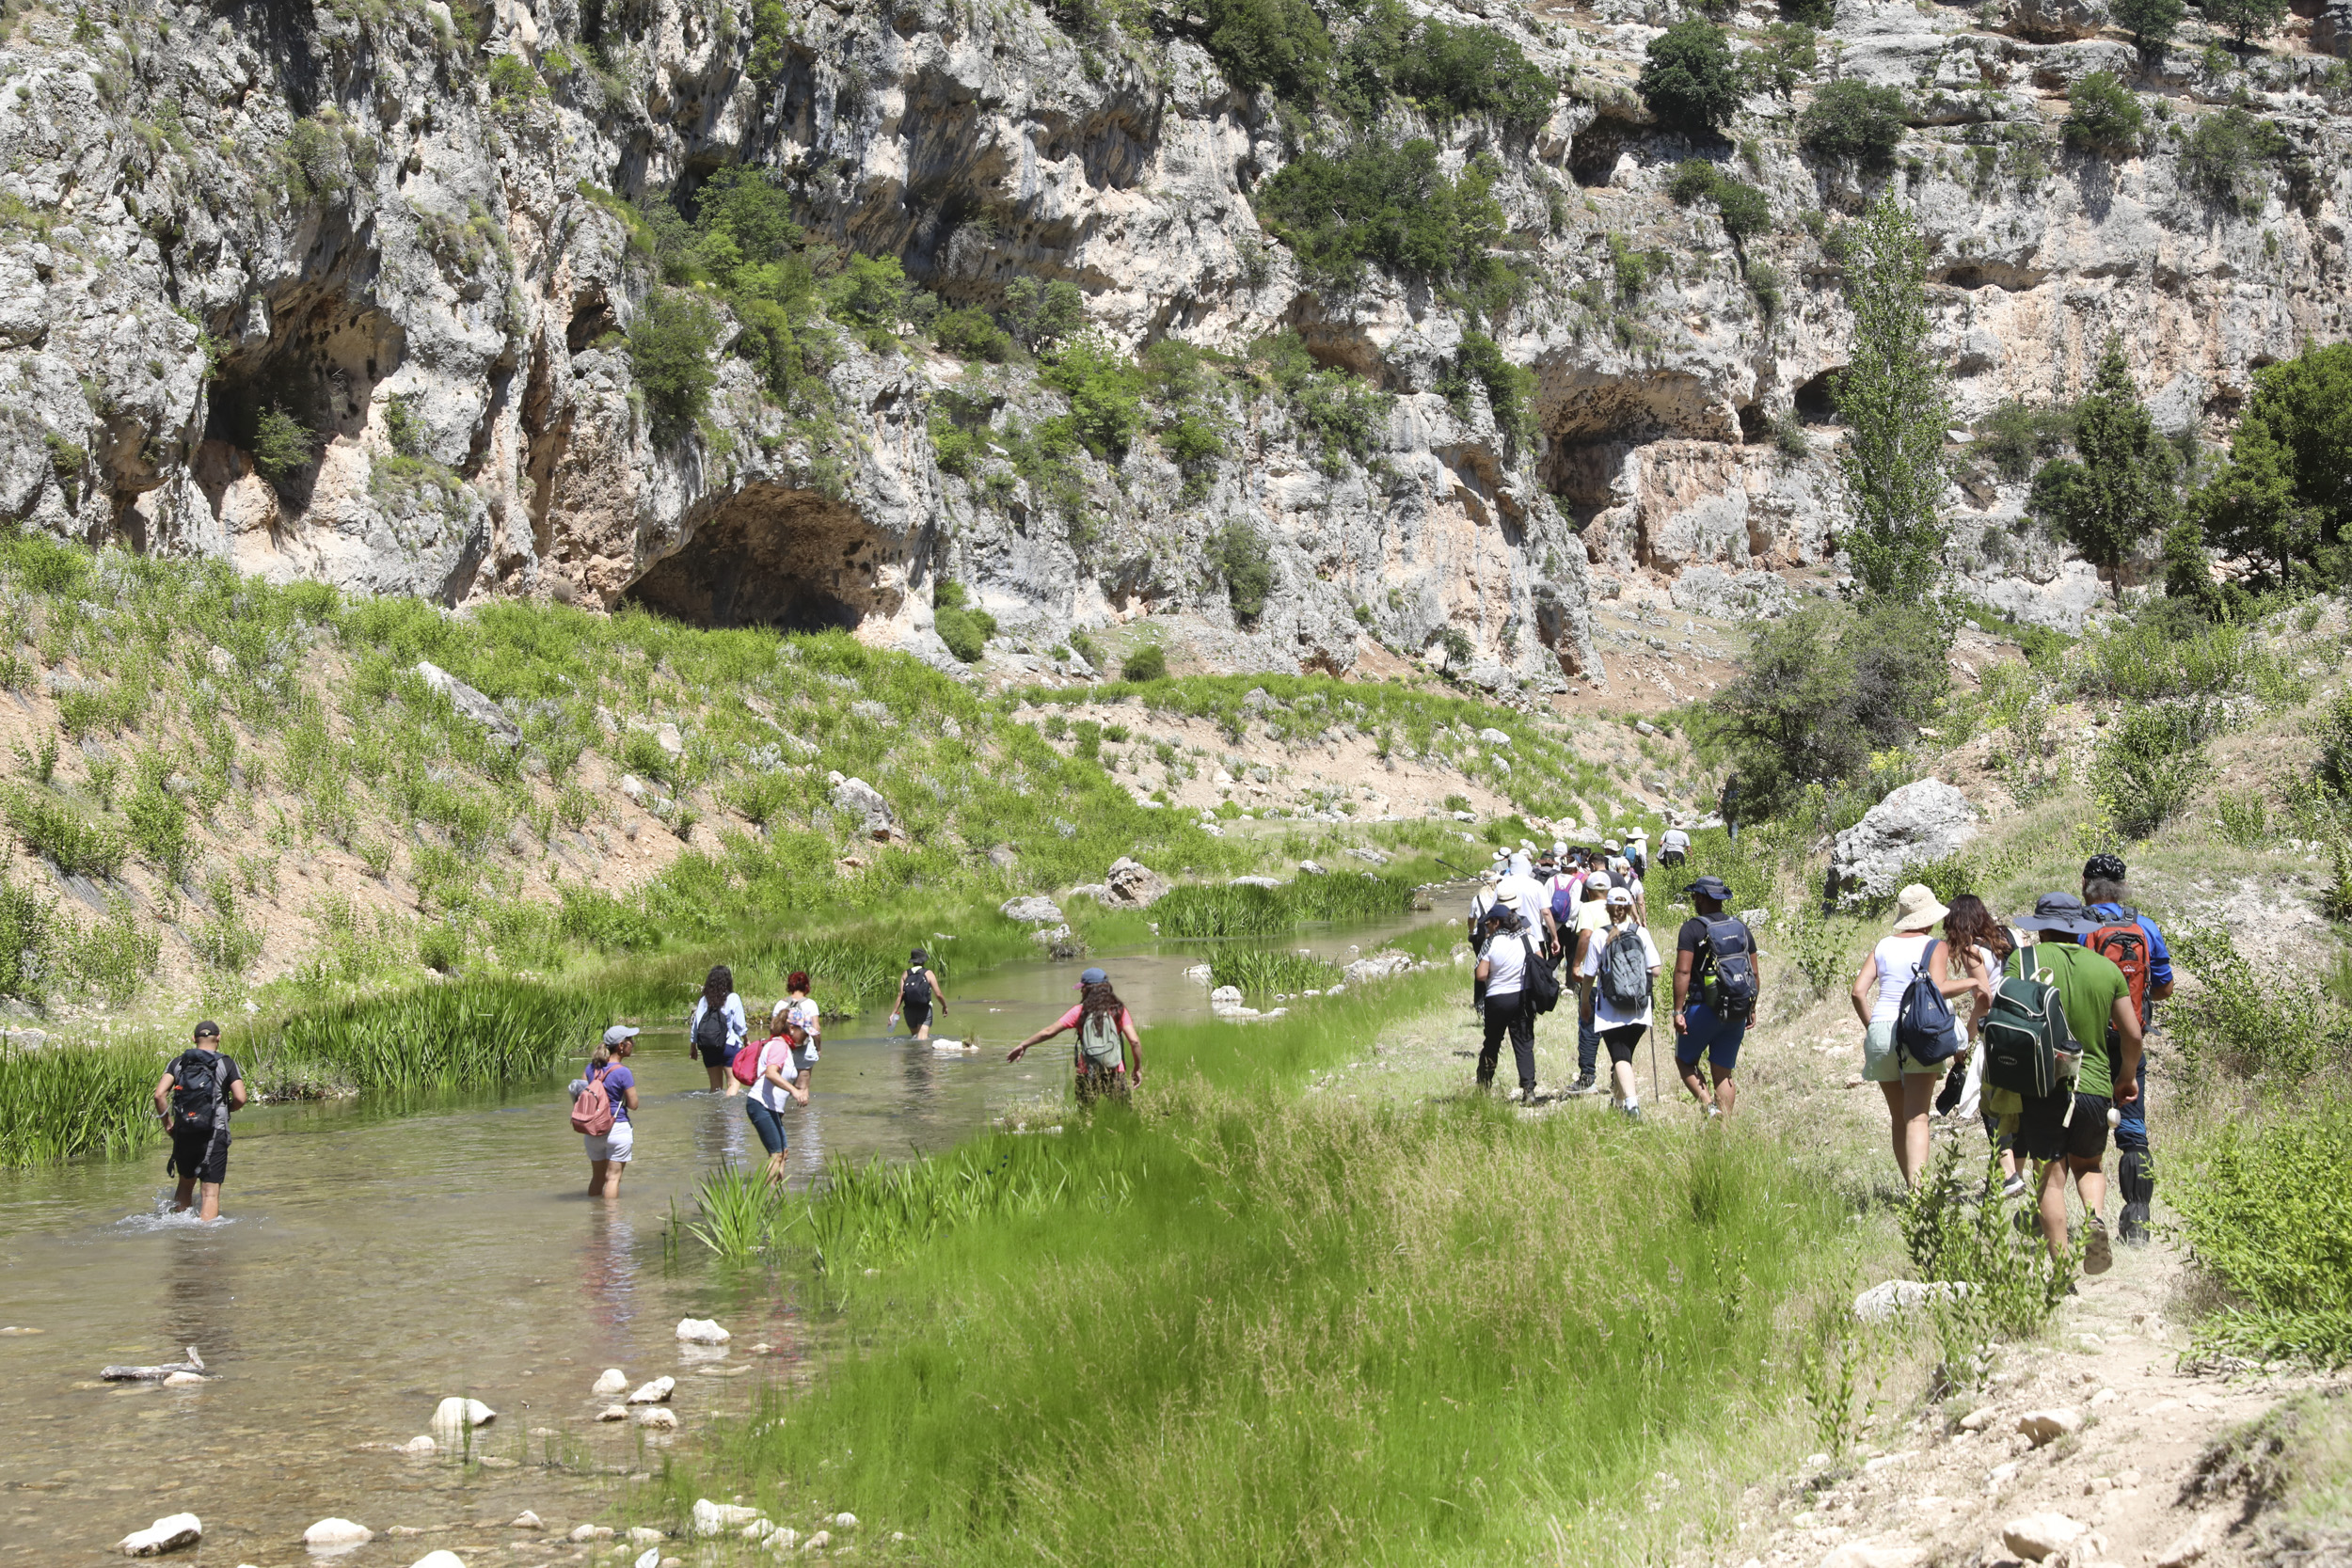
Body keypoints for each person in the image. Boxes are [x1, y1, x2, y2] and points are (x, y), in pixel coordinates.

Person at [1999, 894, 2143, 1275]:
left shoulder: (2022, 962)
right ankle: (2095, 1217)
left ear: (2041, 928)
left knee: (2052, 1176)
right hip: (2094, 1085)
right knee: (2090, 1164)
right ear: (2078, 930)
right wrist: (2126, 1076)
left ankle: (2062, 1271)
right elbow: (2132, 1034)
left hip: (2042, 1084)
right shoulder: (2105, 969)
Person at [1849, 884, 1982, 1188]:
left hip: (1882, 1028)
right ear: (1929, 918)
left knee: (1899, 1117)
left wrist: (1873, 1028)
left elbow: (1858, 992)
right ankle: (1918, 1193)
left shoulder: (1882, 945)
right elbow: (1939, 986)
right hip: (1917, 1030)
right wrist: (1971, 982)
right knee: (1917, 1116)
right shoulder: (1935, 946)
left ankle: (1911, 1186)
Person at [2079, 854, 2172, 1245]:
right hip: (2131, 1039)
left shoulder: (2082, 927)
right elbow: (2165, 987)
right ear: (2122, 887)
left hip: (2090, 1043)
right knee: (2134, 1132)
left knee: (2085, 1133)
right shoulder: (2145, 926)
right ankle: (2138, 1225)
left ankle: (2091, 1218)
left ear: (2086, 886)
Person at [1939, 894, 2026, 1196]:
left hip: (1998, 1028)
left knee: (1990, 1102)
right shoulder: (2010, 936)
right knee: (2020, 1100)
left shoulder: (1972, 951)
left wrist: (1968, 1037)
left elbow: (1984, 996)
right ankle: (2011, 1174)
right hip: (2024, 1023)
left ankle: (2009, 1174)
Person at [1672, 877, 1759, 1119]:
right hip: (1735, 1009)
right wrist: (1751, 1006)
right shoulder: (1741, 927)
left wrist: (1678, 1011)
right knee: (1723, 1073)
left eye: (1694, 896)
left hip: (1702, 1008)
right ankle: (1724, 1130)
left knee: (1685, 1061)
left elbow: (1683, 971)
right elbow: (1753, 973)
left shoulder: (1692, 928)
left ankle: (1710, 1107)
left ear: (1700, 897)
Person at [151, 1020, 248, 1222]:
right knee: (210, 1193)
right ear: (219, 1038)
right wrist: (226, 1110)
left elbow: (159, 1095)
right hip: (215, 1131)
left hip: (185, 1131)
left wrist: (168, 1124)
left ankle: (181, 1232)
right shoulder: (225, 1063)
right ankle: (205, 1242)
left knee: (185, 1185)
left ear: (194, 1039)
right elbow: (240, 1098)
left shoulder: (178, 1063)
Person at [1007, 966, 1143, 1102]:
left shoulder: (1079, 1011)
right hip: (1115, 1071)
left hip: (1087, 1072)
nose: (1081, 991)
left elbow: (1048, 1032)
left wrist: (1024, 1045)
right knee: (1123, 1113)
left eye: (1082, 988)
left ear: (1087, 989)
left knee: (1086, 1118)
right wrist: (1137, 1068)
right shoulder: (1118, 1010)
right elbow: (1134, 1041)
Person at [1583, 887, 1661, 1119]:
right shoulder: (1641, 933)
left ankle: (1632, 1105)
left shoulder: (1600, 935)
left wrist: (1584, 1003)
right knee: (1623, 1056)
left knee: (1620, 1057)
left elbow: (1589, 975)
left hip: (1611, 1008)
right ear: (1630, 908)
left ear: (1607, 909)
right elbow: (1655, 970)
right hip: (1640, 1007)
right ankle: (1617, 1102)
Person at [1471, 906, 1539, 1103]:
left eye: (1488, 923)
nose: (1486, 928)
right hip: (1523, 998)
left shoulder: (1491, 943)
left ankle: (1484, 1087)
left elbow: (1481, 974)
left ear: (1497, 922)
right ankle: (1529, 1090)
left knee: (1492, 1043)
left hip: (1497, 999)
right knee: (1524, 1044)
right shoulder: (1529, 939)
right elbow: (1539, 963)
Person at [744, 1020, 811, 1186]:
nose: (807, 1036)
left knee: (783, 1153)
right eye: (805, 1031)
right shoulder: (779, 1046)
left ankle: (776, 1194)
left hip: (770, 1106)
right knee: (776, 1154)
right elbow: (771, 1074)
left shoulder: (785, 1047)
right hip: (760, 1104)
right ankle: (762, 1197)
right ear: (792, 1028)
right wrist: (794, 1091)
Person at [1563, 876, 1613, 1096]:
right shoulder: (1620, 907)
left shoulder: (1587, 908)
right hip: (1618, 978)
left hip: (1595, 976)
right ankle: (1619, 1076)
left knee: (1588, 1025)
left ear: (1589, 891)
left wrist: (1576, 965)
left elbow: (1585, 936)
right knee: (1616, 1027)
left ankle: (1587, 1078)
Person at [579, 1025, 641, 1199]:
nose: (633, 1044)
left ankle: (597, 1221)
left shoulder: (590, 1069)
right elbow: (634, 1104)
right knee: (613, 1179)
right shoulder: (623, 1072)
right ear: (621, 1045)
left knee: (597, 1178)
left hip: (593, 1130)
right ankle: (611, 1221)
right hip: (617, 1127)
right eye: (630, 1041)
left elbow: (581, 1093)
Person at [688, 965, 749, 1095]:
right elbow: (740, 1025)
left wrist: (693, 1046)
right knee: (733, 1084)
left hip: (708, 1047)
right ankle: (730, 1114)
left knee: (715, 1088)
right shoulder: (733, 998)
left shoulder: (704, 1000)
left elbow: (696, 1025)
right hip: (729, 1045)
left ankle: (714, 1114)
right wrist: (746, 1041)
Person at [1494, 850, 1562, 958]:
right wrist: (1555, 938)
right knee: (1536, 970)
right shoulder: (1536, 885)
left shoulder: (1502, 885)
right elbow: (1546, 912)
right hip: (1535, 935)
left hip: (1508, 936)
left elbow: (1494, 911)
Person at [770, 971, 822, 1091]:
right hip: (804, 1050)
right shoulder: (810, 1004)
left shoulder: (780, 1004)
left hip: (784, 1049)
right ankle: (802, 1110)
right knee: (802, 1088)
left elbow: (773, 1028)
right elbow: (816, 1029)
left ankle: (786, 1110)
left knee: (782, 1088)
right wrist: (818, 1048)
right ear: (806, 986)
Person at [890, 948, 948, 1041]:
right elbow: (938, 994)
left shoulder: (905, 974)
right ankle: (921, 1056)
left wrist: (893, 1014)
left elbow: (901, 995)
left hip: (909, 1011)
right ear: (923, 960)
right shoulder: (928, 973)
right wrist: (944, 1006)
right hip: (924, 1009)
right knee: (922, 1040)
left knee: (915, 1037)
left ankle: (913, 1056)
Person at [1720, 773, 1740, 845]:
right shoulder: (1726, 789)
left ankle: (1733, 846)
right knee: (1731, 827)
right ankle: (1732, 845)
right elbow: (1721, 798)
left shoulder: (1738, 789)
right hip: (1727, 811)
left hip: (1735, 811)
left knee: (1734, 827)